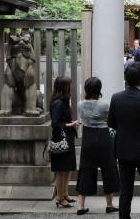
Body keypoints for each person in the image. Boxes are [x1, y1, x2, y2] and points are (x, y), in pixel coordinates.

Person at [108, 62, 140, 219]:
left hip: (124, 148)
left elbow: (111, 122)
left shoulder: (116, 98)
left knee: (126, 190)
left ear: (126, 78)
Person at [76, 77, 120, 215]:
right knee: (109, 170)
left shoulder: (80, 104)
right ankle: (109, 204)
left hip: (88, 138)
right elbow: (112, 121)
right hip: (104, 138)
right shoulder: (105, 105)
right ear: (99, 89)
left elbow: (82, 120)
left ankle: (81, 206)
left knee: (86, 170)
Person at [50, 76, 79, 208]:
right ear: (64, 87)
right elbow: (55, 123)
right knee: (62, 170)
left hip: (67, 138)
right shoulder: (58, 103)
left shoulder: (63, 101)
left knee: (67, 168)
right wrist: (70, 124)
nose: (71, 87)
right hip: (61, 139)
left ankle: (65, 194)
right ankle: (59, 197)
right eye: (69, 85)